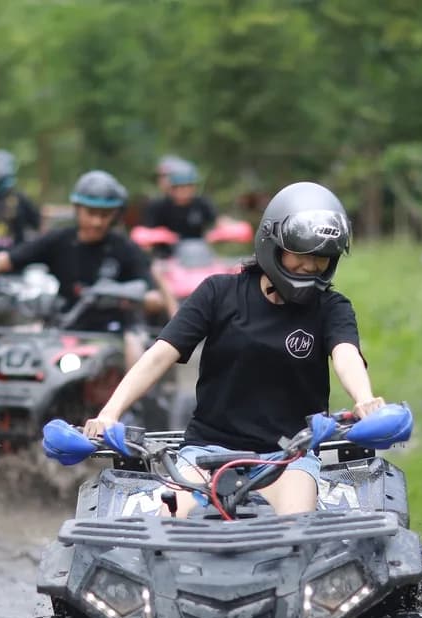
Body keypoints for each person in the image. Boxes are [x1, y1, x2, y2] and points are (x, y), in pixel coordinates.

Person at [83, 181, 385, 517]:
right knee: (170, 523)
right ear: (272, 243)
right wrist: (110, 413)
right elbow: (159, 355)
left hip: (289, 457)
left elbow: (346, 354)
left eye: (322, 258)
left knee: (299, 528)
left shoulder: (332, 308)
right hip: (205, 452)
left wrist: (363, 399)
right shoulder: (218, 293)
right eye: (302, 253)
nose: (312, 267)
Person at [0, 169, 164, 367]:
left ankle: (134, 399)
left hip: (116, 328)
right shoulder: (59, 240)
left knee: (135, 350)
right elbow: (11, 258)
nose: (97, 221)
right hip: (64, 324)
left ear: (114, 214)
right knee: (12, 344)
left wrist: (120, 296)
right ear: (77, 208)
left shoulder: (125, 248)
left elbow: (155, 300)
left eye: (105, 215)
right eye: (91, 213)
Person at [142, 159, 217, 240]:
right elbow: (147, 233)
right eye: (179, 186)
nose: (183, 191)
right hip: (168, 250)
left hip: (197, 248)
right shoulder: (158, 206)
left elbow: (217, 221)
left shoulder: (202, 203)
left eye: (187, 185)